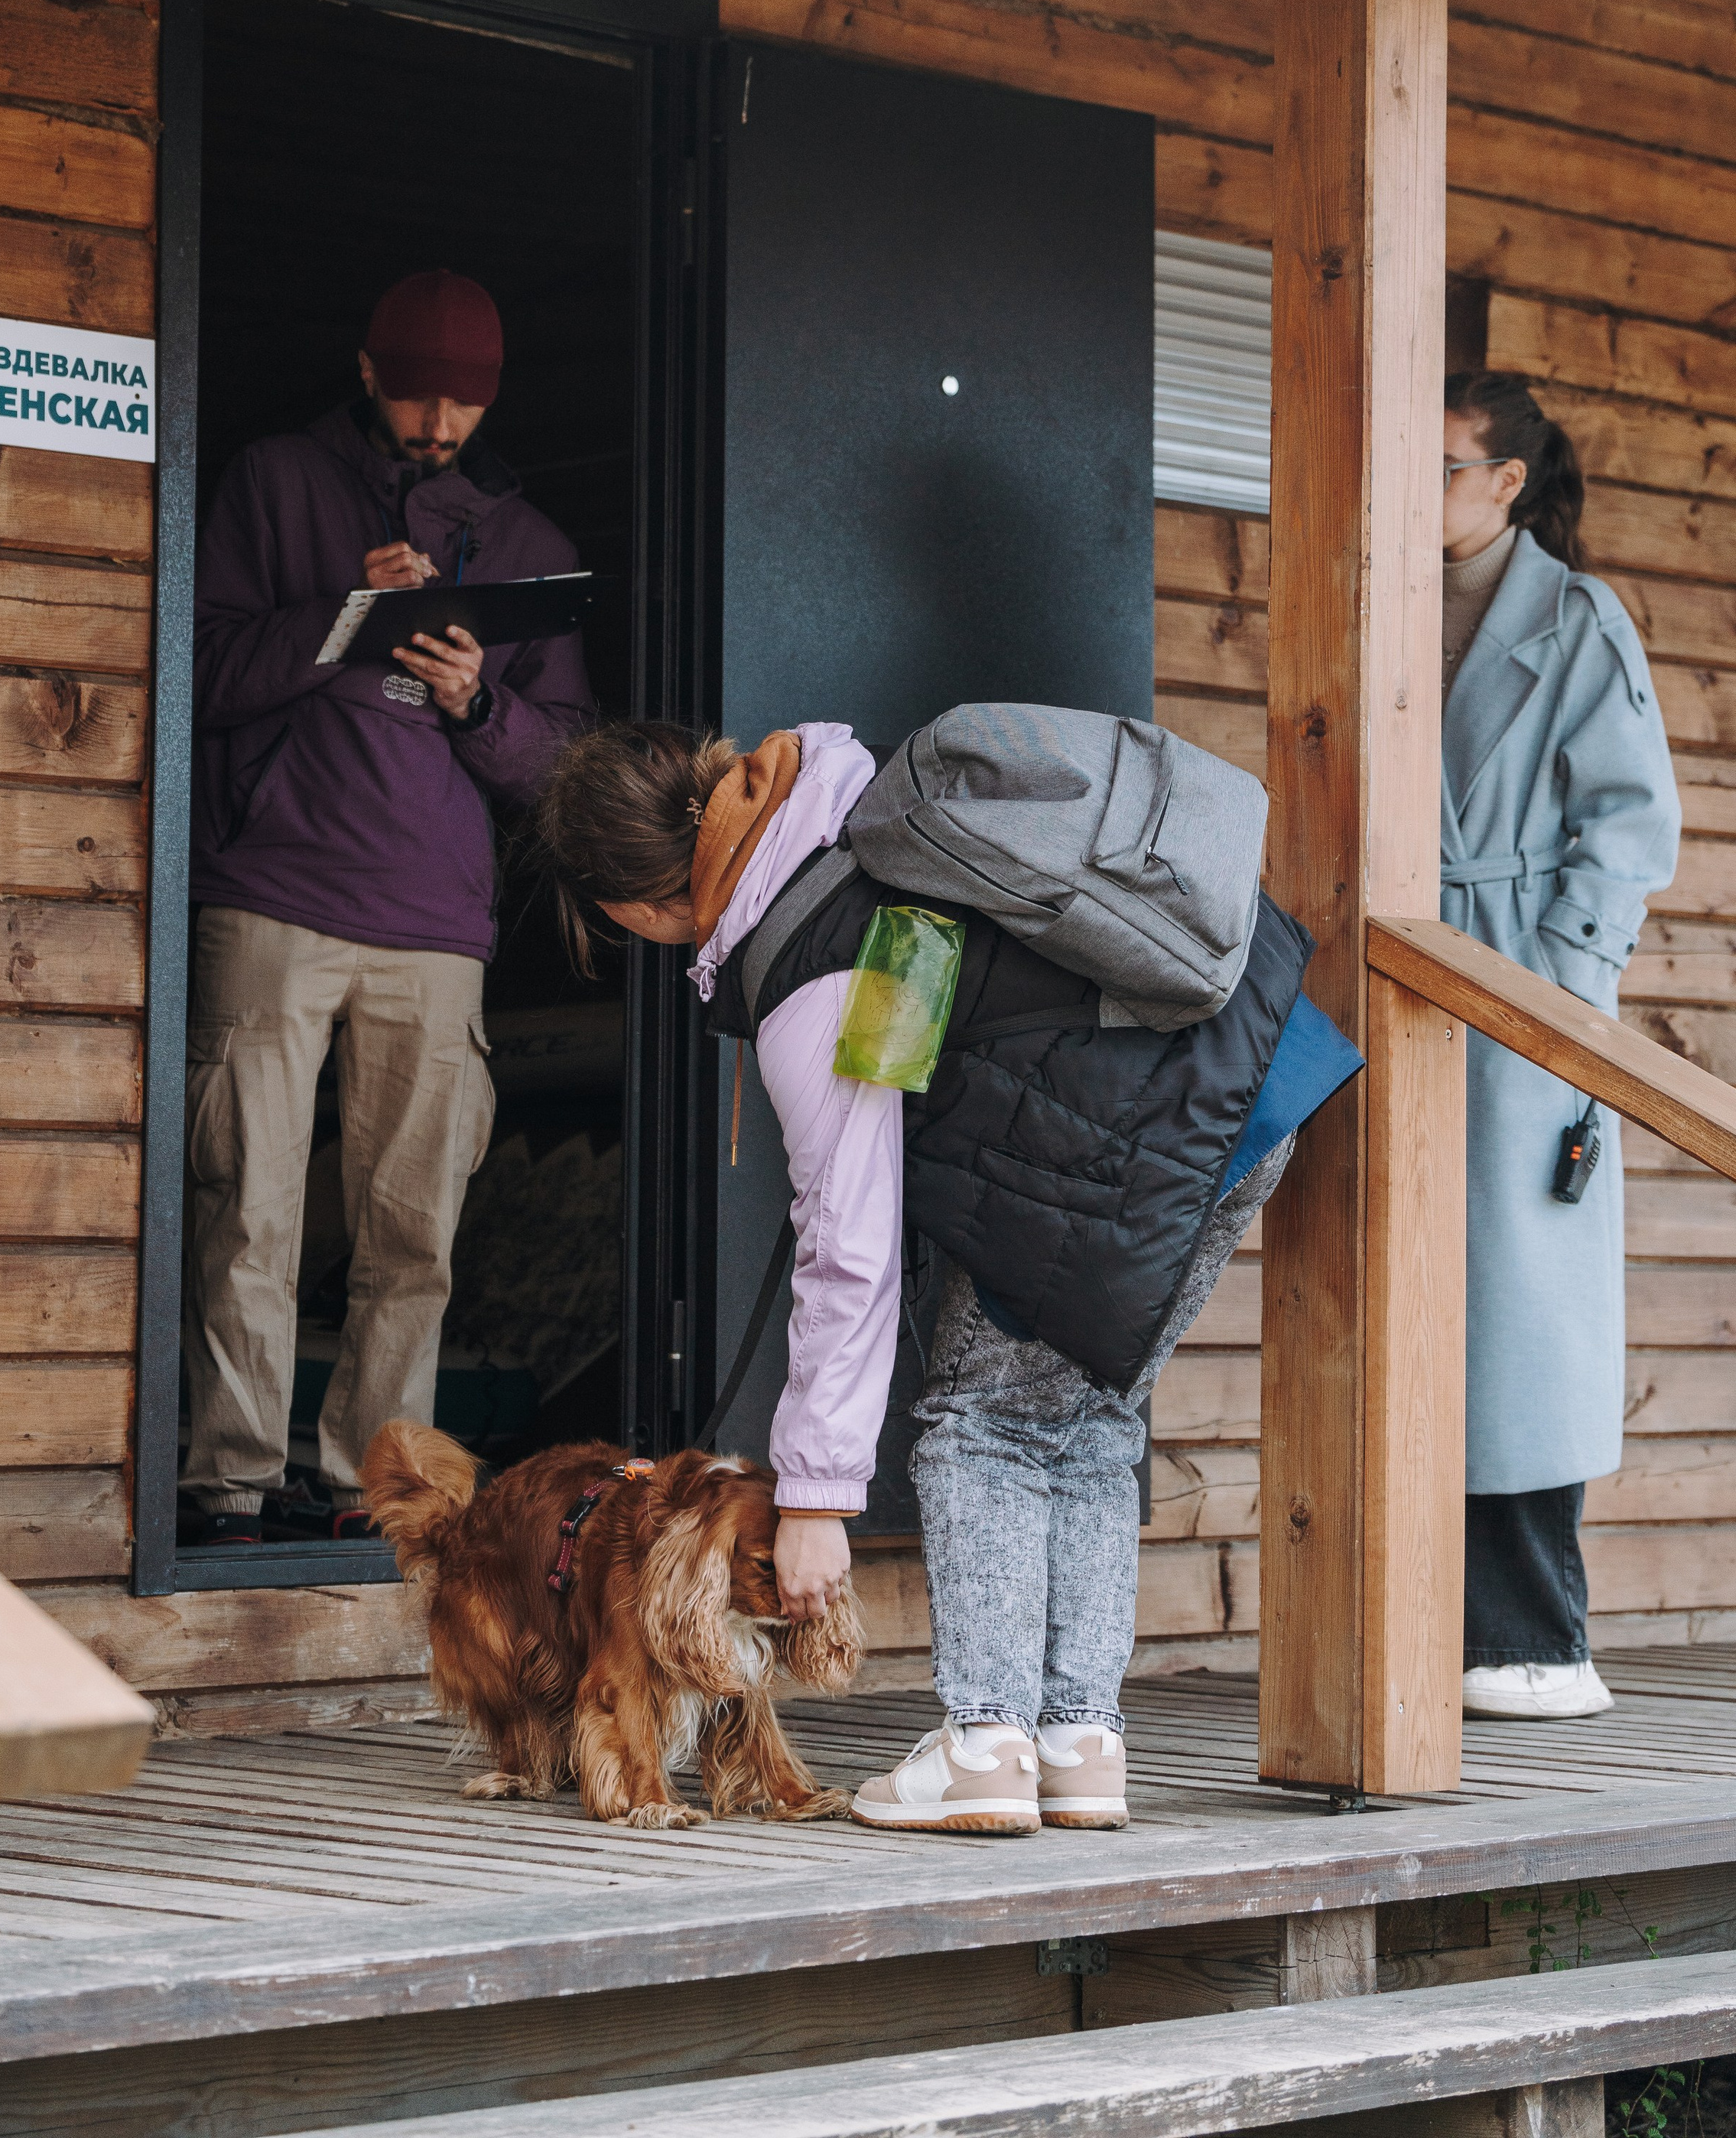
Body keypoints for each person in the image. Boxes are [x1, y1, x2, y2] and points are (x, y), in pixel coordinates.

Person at [530, 714, 1357, 1835]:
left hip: (1150, 1122)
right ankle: (1078, 1740)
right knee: (1088, 1408)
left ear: (627, 903)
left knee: (984, 1419)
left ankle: (986, 1743)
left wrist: (816, 1499)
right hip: (1248, 1084)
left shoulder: (817, 952)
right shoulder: (846, 815)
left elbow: (850, 1242)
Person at [181, 269, 595, 1545]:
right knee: (248, 1205)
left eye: (463, 405)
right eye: (416, 396)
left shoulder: (528, 545)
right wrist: (346, 617)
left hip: (437, 924)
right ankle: (230, 1482)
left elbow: (566, 768)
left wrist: (480, 700)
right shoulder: (273, 482)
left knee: (413, 1232)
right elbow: (197, 670)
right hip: (273, 892)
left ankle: (381, 1492)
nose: (437, 425)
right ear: (365, 372)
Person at [1442, 373, 1680, 1720]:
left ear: (1505, 482)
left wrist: (1558, 990)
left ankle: (1537, 1639)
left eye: (1441, 463)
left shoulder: (1577, 617)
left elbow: (1634, 822)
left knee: (1521, 1318)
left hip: (1520, 992)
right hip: (1401, 980)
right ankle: (1427, 1625)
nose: (1413, 486)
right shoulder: (1388, 603)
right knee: (1408, 1298)